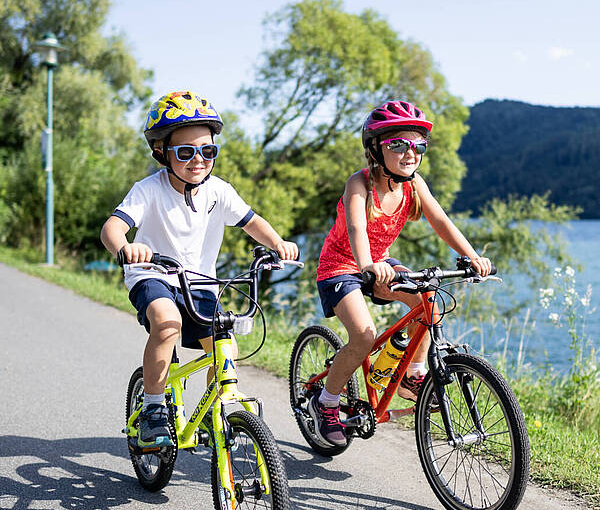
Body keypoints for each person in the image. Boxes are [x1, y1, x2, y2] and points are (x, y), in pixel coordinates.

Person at [101, 91, 298, 447]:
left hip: (200, 284)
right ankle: (153, 408)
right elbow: (112, 228)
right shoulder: (148, 190)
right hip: (152, 275)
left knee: (226, 346)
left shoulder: (219, 191)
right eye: (186, 151)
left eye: (207, 151)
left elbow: (252, 221)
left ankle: (214, 411)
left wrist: (277, 243)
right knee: (167, 322)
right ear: (162, 152)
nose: (198, 160)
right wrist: (126, 247)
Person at [311, 100, 491, 446]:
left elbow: (441, 221)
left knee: (430, 304)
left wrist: (472, 256)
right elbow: (356, 228)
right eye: (398, 144)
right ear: (376, 149)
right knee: (364, 335)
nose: (410, 153)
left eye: (417, 145)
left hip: (380, 263)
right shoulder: (359, 184)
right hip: (341, 267)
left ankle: (413, 373)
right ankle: (327, 403)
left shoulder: (413, 184)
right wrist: (367, 266)